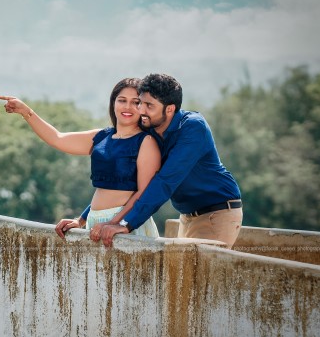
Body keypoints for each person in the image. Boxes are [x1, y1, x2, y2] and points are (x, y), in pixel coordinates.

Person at [90, 74, 243, 248]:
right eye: (141, 103)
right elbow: (124, 183)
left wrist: (125, 224)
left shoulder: (193, 128)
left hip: (218, 212)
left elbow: (164, 182)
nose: (141, 110)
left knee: (195, 274)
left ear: (169, 109)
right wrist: (84, 218)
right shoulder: (151, 131)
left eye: (149, 106)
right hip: (187, 216)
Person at [0, 78, 161, 238]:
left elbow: (143, 193)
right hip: (96, 224)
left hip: (124, 226)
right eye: (122, 100)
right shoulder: (101, 137)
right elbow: (57, 138)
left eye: (136, 102)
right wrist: (80, 220)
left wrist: (114, 223)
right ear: (113, 103)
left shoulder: (146, 142)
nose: (128, 107)